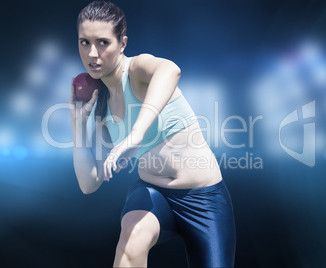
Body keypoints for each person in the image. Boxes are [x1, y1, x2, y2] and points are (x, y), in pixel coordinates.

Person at [69, 1, 236, 267]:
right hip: (152, 193)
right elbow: (89, 184)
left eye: (102, 42)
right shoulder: (101, 104)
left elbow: (171, 69)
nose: (92, 54)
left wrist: (135, 135)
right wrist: (78, 127)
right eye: (84, 42)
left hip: (204, 199)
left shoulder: (137, 70)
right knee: (130, 243)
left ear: (122, 43)